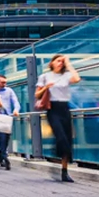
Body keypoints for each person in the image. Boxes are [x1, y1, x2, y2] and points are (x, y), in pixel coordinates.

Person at [37, 54, 80, 183]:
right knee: (60, 137)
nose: (60, 63)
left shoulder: (66, 75)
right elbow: (37, 95)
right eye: (58, 61)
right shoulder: (45, 76)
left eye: (62, 61)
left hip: (65, 108)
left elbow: (77, 78)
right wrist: (46, 87)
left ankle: (64, 171)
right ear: (52, 62)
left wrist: (69, 64)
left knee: (67, 139)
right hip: (52, 109)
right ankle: (56, 155)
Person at [0, 75, 20, 170]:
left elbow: (15, 102)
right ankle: (4, 156)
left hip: (7, 117)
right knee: (1, 137)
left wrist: (16, 109)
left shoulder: (9, 91)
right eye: (3, 82)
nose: (5, 84)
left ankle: (1, 156)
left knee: (6, 138)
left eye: (5, 82)